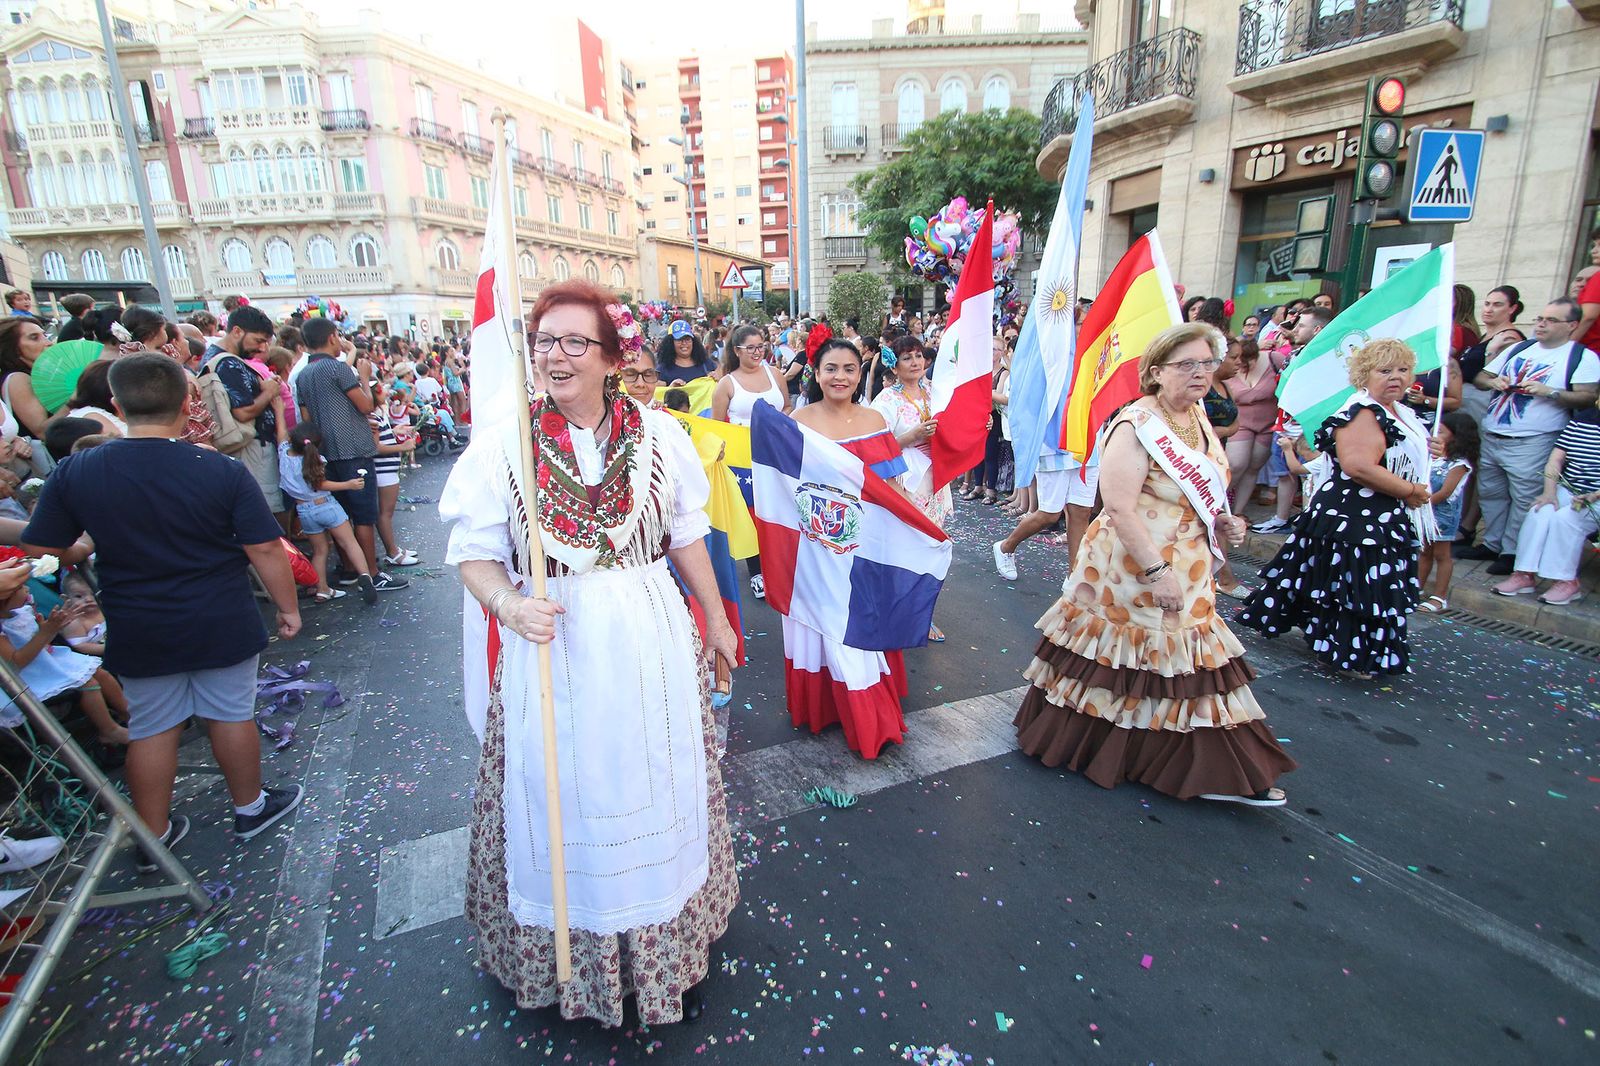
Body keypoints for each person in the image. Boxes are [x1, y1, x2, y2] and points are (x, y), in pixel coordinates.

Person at [440, 281, 738, 1027]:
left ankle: (661, 955)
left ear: (611, 357)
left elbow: (687, 535)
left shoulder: (660, 436)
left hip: (649, 634)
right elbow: (474, 553)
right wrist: (509, 604)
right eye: (546, 341)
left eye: (576, 341)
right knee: (562, 796)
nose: (557, 355)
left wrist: (715, 618)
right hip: (554, 642)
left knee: (658, 784)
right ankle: (572, 963)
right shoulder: (505, 445)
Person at [20, 354, 305, 867]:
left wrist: (90, 542)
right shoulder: (218, 468)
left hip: (138, 619)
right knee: (230, 713)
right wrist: (288, 608)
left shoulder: (78, 469)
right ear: (186, 403)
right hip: (219, 614)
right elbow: (264, 547)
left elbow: (44, 545)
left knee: (153, 726)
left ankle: (153, 836)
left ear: (116, 405)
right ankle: (250, 807)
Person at [1013, 323, 1294, 805]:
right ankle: (1188, 766)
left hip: (1190, 567)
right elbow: (1119, 507)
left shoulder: (1197, 416)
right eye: (1187, 364)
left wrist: (1226, 522)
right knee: (1125, 661)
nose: (1200, 372)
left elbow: (1204, 487)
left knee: (1178, 665)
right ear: (1157, 371)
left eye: (1207, 362)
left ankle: (1178, 764)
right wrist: (1157, 573)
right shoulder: (1135, 425)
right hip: (1132, 569)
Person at [1239, 339, 1440, 679]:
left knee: (1338, 583)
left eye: (1403, 370)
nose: (1395, 377)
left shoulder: (1400, 412)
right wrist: (1409, 490)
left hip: (1375, 515)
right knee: (1352, 588)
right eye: (1385, 370)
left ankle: (1335, 642)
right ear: (1364, 375)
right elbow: (1357, 466)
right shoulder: (1362, 411)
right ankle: (1344, 650)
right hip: (1355, 516)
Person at [787, 338, 913, 756]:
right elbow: (781, 485)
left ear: (861, 375)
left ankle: (869, 717)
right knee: (825, 626)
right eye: (831, 368)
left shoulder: (874, 419)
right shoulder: (798, 421)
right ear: (816, 373)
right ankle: (829, 708)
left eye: (849, 369)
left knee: (858, 626)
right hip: (816, 546)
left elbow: (892, 486)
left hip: (867, 546)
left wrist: (916, 530)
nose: (839, 377)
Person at [1469, 298, 1600, 575]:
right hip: (1494, 432)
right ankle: (1492, 544)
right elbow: (1481, 377)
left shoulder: (1582, 356)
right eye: (1540, 318)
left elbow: (1588, 397)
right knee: (1491, 494)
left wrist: (1550, 392)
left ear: (1572, 325)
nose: (1541, 324)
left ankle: (1512, 552)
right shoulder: (1520, 347)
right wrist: (1493, 381)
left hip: (1534, 438)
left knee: (1524, 497)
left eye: (1551, 320)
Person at [294, 317, 408, 593]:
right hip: (354, 451)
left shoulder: (303, 375)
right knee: (364, 516)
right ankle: (372, 573)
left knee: (342, 516)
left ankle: (349, 569)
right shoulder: (339, 369)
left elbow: (306, 418)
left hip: (324, 453)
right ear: (332, 337)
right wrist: (365, 378)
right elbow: (366, 405)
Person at [870, 334, 952, 642]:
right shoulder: (886, 401)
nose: (915, 362)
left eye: (918, 356)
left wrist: (975, 427)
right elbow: (876, 446)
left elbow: (954, 425)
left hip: (935, 480)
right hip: (903, 482)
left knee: (932, 547)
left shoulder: (935, 391)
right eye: (907, 357)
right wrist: (912, 436)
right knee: (905, 548)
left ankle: (922, 614)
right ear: (895, 366)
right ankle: (895, 610)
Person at [1491, 402, 1600, 606]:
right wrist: (1549, 492)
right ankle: (1524, 574)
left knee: (1567, 519)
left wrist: (1594, 495)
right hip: (1571, 489)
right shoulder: (1583, 419)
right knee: (1539, 511)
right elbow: (1556, 459)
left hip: (1597, 496)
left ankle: (1566, 581)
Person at [0, 580, 128, 746]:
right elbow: (16, 663)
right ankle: (109, 730)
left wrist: (53, 628)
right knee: (88, 684)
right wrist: (45, 632)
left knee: (101, 673)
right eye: (20, 587)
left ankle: (128, 714)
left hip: (46, 661)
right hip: (26, 678)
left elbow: (41, 642)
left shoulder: (21, 612)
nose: (28, 588)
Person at [712, 324, 786, 600]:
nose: (757, 352)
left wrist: (779, 423)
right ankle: (756, 571)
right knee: (751, 514)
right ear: (736, 351)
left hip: (776, 454)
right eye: (751, 348)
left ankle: (779, 566)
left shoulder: (775, 373)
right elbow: (717, 427)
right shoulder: (727, 384)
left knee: (778, 509)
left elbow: (788, 406)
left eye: (761, 347)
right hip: (743, 461)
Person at [1252, 305, 1333, 533]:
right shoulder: (1294, 355)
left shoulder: (1330, 359)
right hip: (1285, 425)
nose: (1295, 329)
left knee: (1311, 476)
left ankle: (1311, 523)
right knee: (1284, 474)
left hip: (1311, 428)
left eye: (1302, 325)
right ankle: (1281, 518)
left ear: (1317, 329)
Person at [278, 423, 376, 604]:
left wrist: (279, 411)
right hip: (326, 506)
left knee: (320, 551)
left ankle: (322, 589)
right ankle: (365, 577)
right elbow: (320, 484)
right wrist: (348, 485)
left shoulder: (283, 454)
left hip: (304, 511)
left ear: (292, 440)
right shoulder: (317, 460)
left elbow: (281, 435)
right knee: (349, 543)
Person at [206, 305, 284, 522]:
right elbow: (243, 412)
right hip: (251, 449)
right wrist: (269, 392)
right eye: (258, 340)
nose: (261, 348)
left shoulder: (222, 358)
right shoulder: (228, 363)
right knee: (265, 513)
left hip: (250, 447)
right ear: (237, 331)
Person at [1415, 411, 1478, 613]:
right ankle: (1416, 588)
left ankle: (1439, 596)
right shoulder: (1431, 458)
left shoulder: (1459, 465)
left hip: (1442, 515)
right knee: (1424, 551)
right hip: (1425, 511)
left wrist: (1419, 501)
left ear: (1456, 437)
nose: (1435, 434)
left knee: (1442, 554)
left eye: (1441, 431)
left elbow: (1445, 492)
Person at [368, 380, 419, 568]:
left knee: (386, 513)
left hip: (386, 470)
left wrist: (395, 431)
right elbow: (375, 447)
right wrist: (402, 447)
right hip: (383, 471)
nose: (386, 392)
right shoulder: (372, 417)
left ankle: (394, 548)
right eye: (381, 390)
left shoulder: (376, 414)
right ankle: (392, 552)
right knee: (385, 514)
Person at [0, 317, 52, 438]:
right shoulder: (18, 379)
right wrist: (74, 401)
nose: (48, 342)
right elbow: (43, 431)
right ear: (14, 348)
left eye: (45, 335)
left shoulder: (37, 374)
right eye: (34, 337)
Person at [656, 321, 716, 386]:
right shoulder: (663, 368)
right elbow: (658, 391)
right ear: (670, 342)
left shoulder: (705, 363)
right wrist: (670, 388)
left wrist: (715, 377)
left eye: (687, 339)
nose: (684, 343)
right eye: (679, 340)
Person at [1575, 226, 1600, 351]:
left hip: (1591, 350)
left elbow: (1588, 316)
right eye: (1594, 246)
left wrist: (1566, 346)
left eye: (1599, 246)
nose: (1593, 251)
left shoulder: (1598, 277)